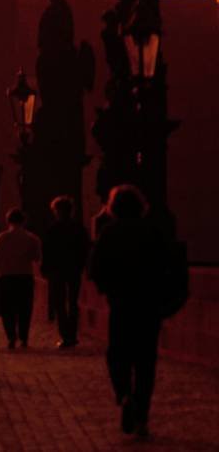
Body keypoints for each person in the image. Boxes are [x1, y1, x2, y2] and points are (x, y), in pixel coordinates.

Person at [89, 184, 170, 438]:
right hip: (149, 305)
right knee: (146, 361)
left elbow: (95, 268)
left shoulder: (110, 233)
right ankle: (142, 417)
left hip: (121, 303)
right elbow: (168, 268)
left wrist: (107, 287)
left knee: (118, 355)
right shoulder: (154, 232)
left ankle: (123, 393)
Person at [42, 196, 90, 348]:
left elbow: (47, 251)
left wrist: (46, 267)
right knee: (73, 303)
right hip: (74, 268)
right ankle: (72, 334)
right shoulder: (79, 228)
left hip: (57, 270)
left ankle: (65, 335)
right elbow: (85, 249)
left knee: (60, 304)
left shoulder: (53, 229)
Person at [0, 208, 42, 349]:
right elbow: (37, 257)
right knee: (25, 308)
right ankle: (24, 337)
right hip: (25, 275)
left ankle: (11, 336)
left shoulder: (1, 237)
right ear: (23, 221)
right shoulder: (32, 238)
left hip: (6, 276)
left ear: (8, 221)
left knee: (7, 309)